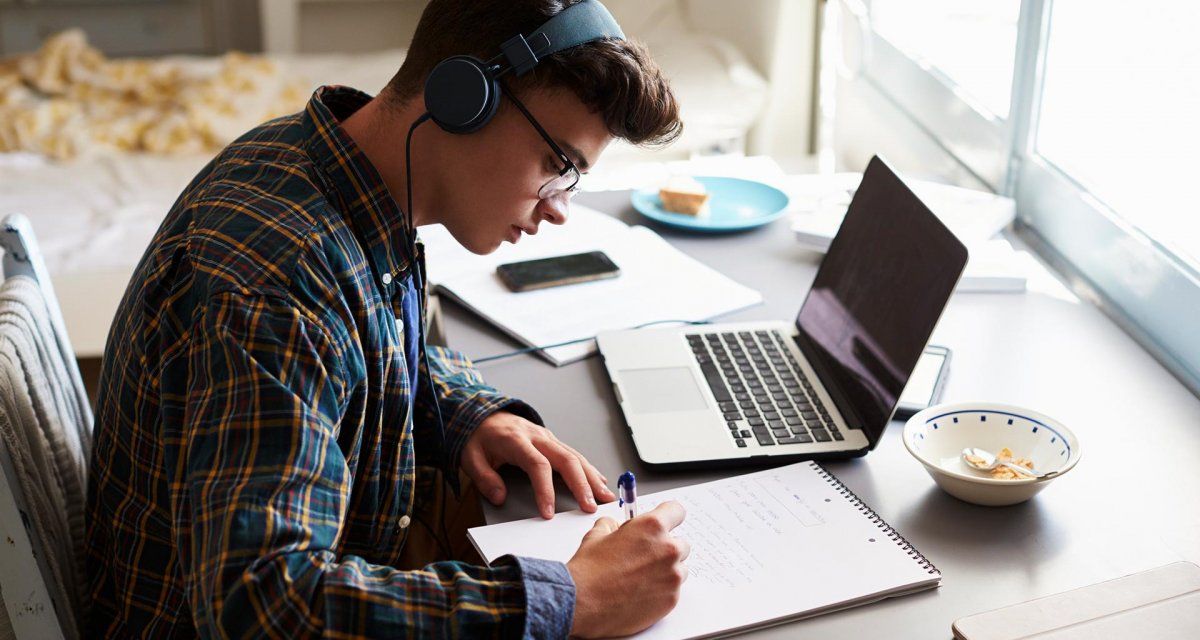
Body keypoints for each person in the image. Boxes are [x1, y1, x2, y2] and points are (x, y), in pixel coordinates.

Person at [84, 0, 691, 637]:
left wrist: (467, 413)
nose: (558, 209)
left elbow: (358, 352)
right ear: (462, 97)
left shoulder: (322, 168)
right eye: (556, 166)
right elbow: (265, 606)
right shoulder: (279, 282)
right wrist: (570, 600)